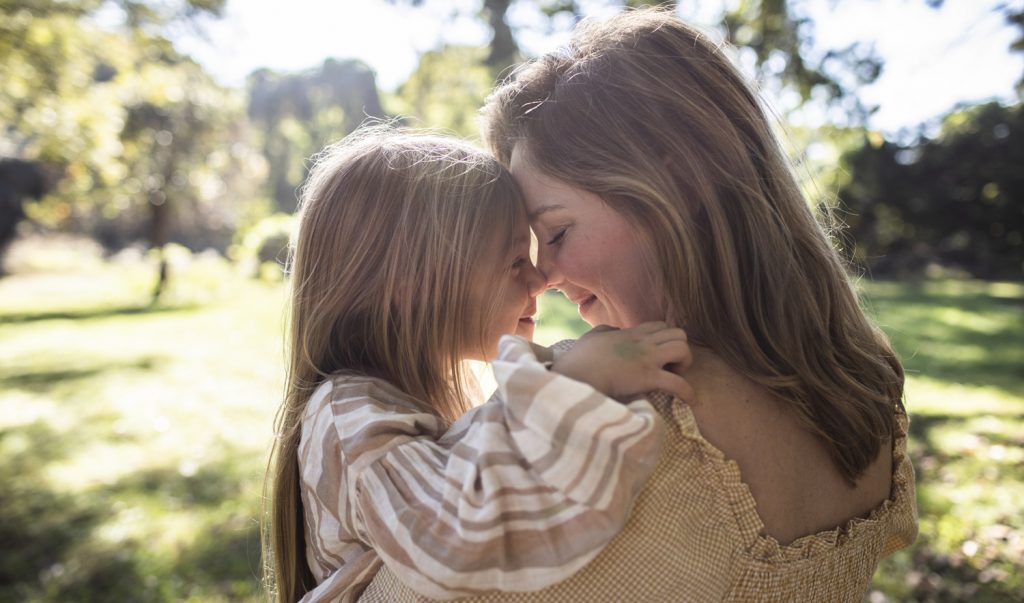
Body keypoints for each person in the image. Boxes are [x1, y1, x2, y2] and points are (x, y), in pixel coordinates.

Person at [359, 8, 918, 602]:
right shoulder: (867, 390)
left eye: (556, 233)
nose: (543, 276)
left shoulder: (617, 413)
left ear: (676, 184)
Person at [261, 126, 696, 602]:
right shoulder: (345, 417)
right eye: (514, 261)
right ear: (411, 285)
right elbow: (449, 539)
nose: (539, 279)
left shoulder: (402, 400)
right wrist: (576, 381)